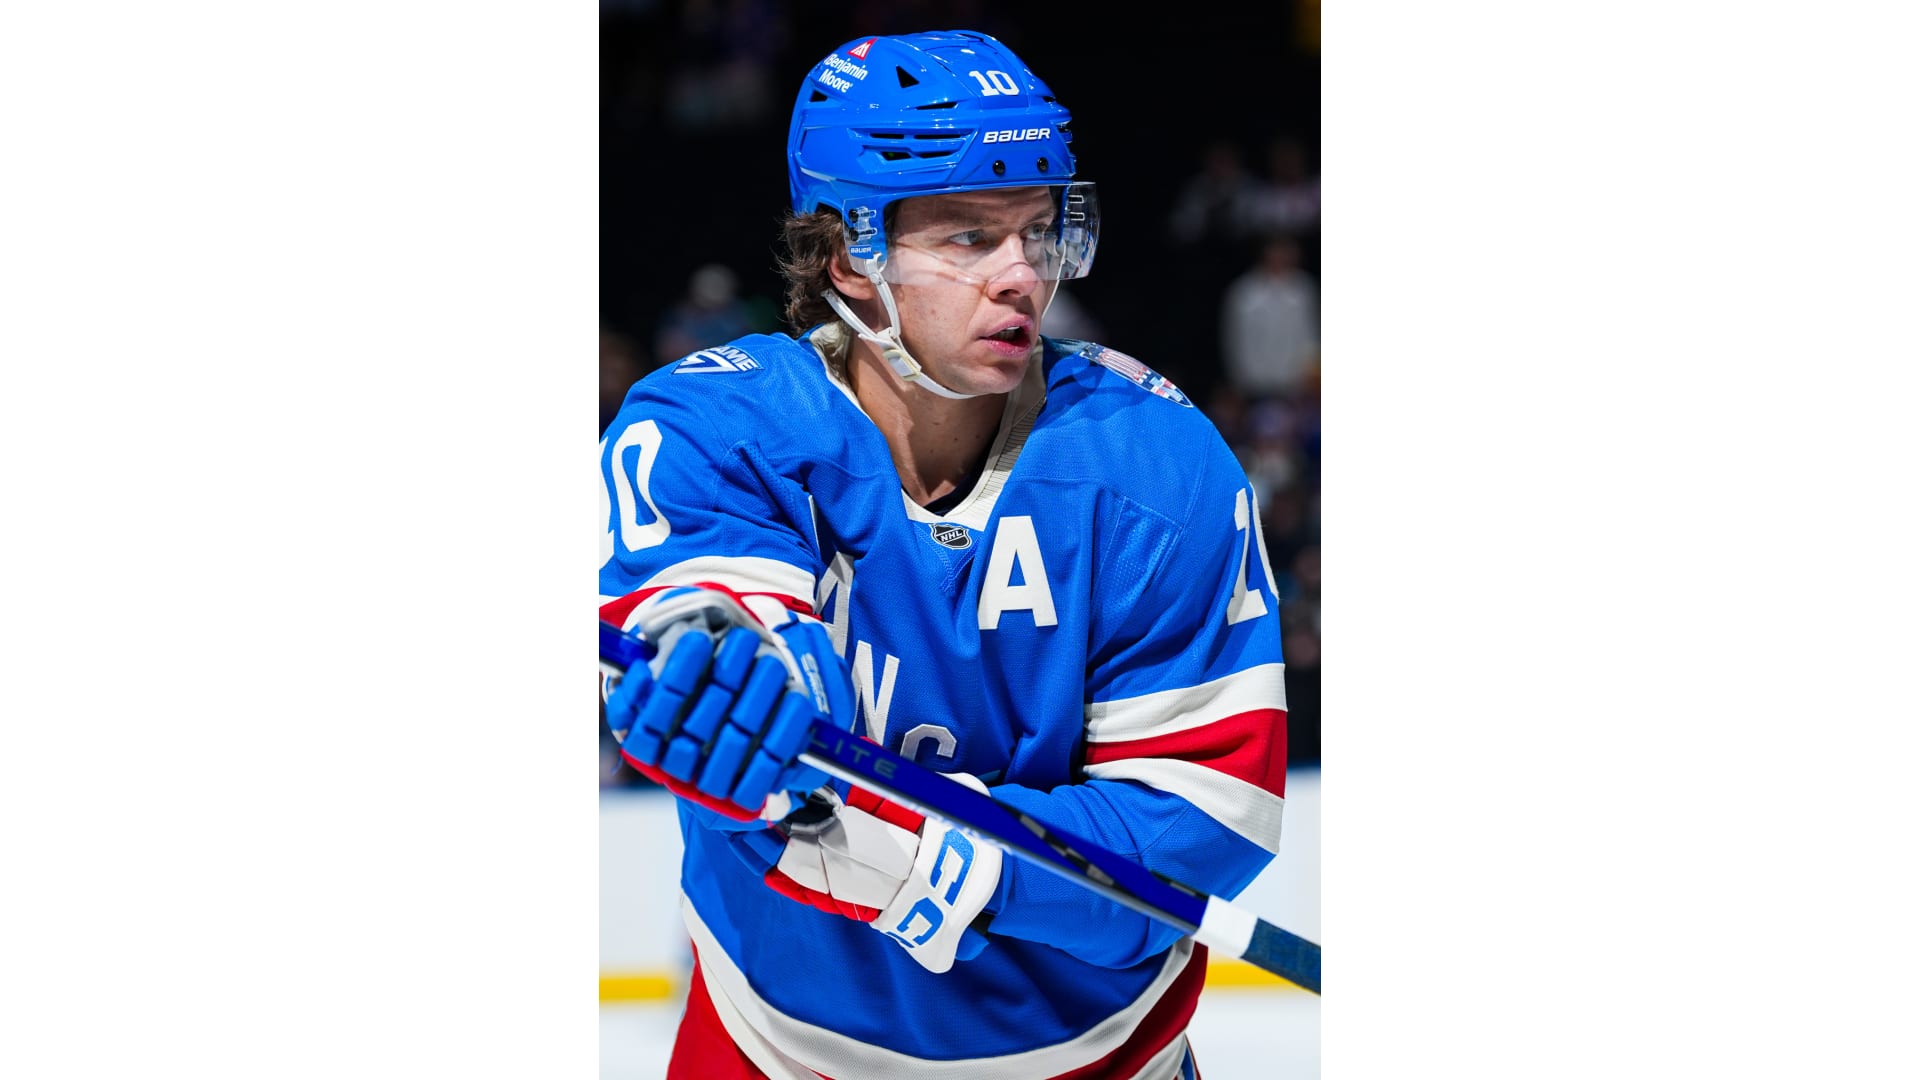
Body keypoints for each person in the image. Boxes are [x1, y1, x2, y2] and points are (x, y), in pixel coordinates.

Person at [599, 29, 1290, 1080]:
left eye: (1037, 230)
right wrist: (726, 663)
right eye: (969, 237)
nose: (1021, 277)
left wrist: (933, 858)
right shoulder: (716, 426)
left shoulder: (1157, 463)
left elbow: (1198, 824)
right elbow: (718, 626)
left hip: (1104, 1062)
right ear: (848, 257)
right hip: (772, 1050)